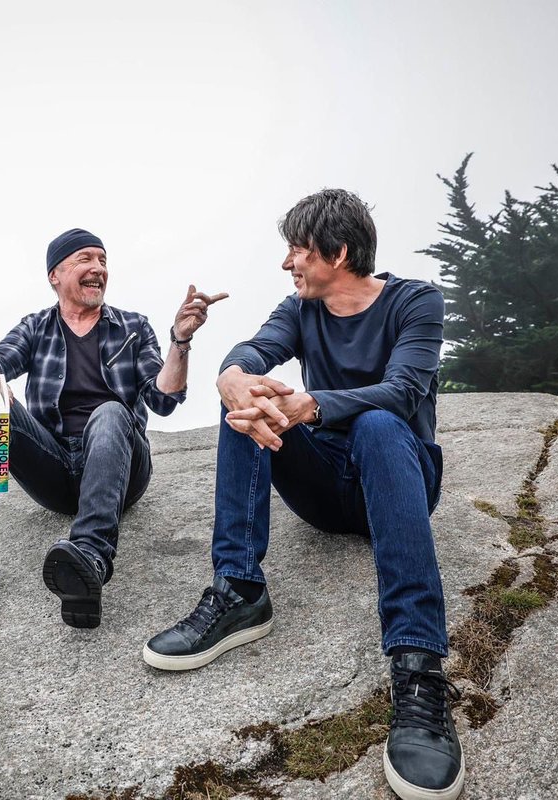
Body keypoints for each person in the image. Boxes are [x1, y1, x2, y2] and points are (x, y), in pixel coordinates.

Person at [142, 191, 463, 800]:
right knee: (245, 403)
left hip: (398, 482)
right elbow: (253, 351)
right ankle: (239, 589)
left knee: (375, 422)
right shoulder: (299, 309)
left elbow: (404, 390)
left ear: (337, 252)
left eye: (297, 251)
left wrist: (312, 406)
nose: (287, 264)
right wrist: (234, 377)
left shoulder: (415, 301)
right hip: (327, 491)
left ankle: (418, 665)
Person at [0, 228, 225, 635]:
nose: (98, 269)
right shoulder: (36, 327)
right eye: (85, 260)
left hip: (119, 466)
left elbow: (162, 398)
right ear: (55, 275)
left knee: (109, 411)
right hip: (55, 470)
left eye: (103, 261)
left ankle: (89, 557)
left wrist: (180, 341)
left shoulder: (132, 326)